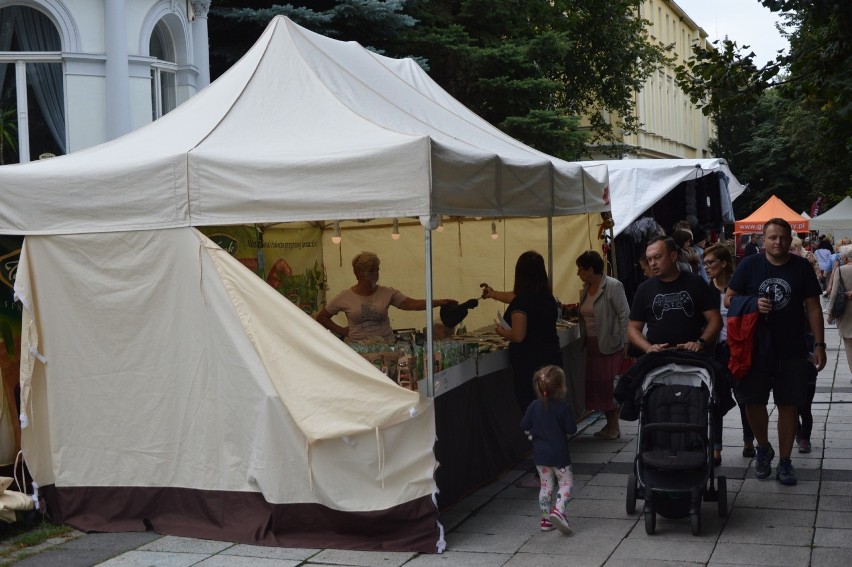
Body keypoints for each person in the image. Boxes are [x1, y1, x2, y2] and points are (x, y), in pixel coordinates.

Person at [725, 218, 826, 486]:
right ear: (763, 239)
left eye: (782, 237)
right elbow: (728, 297)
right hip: (755, 347)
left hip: (791, 347)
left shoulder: (801, 267)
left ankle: (784, 461)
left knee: (788, 404)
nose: (778, 242)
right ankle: (763, 447)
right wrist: (751, 302)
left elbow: (814, 307)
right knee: (753, 401)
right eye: (772, 238)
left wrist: (819, 345)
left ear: (789, 239)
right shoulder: (749, 265)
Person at [481, 251, 562, 412]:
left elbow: (518, 335)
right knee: (551, 407)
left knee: (533, 409)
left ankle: (540, 437)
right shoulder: (547, 297)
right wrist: (494, 294)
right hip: (552, 358)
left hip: (530, 365)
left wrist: (501, 331)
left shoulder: (522, 301)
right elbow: (515, 297)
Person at [316, 251, 456, 342]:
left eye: (377, 270)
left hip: (387, 345)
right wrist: (342, 330)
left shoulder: (387, 292)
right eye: (371, 271)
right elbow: (322, 317)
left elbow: (411, 304)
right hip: (358, 350)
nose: (376, 274)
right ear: (358, 273)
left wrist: (437, 302)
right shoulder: (345, 297)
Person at [704, 243, 755, 463]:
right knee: (715, 399)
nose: (707, 267)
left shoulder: (739, 287)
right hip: (717, 351)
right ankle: (716, 448)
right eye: (705, 263)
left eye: (710, 263)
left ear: (723, 263)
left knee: (744, 397)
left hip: (739, 349)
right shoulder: (706, 290)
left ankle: (748, 440)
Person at [628, 236, 721, 357]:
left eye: (657, 257)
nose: (652, 264)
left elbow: (715, 320)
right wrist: (648, 348)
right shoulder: (644, 289)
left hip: (692, 357)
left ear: (673, 256)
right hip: (658, 359)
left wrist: (700, 343)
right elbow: (632, 328)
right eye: (649, 259)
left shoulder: (696, 282)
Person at [575, 250, 630, 440]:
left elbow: (624, 314)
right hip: (592, 344)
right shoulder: (586, 288)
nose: (578, 273)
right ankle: (609, 424)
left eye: (580, 269)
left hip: (609, 342)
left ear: (591, 269)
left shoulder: (613, 286)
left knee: (609, 386)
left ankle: (614, 426)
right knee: (598, 386)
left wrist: (626, 342)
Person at [520, 365, 577, 534]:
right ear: (561, 387)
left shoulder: (533, 406)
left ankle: (545, 519)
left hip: (540, 456)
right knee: (566, 484)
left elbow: (524, 425)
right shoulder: (563, 407)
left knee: (545, 487)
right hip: (559, 455)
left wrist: (533, 433)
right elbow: (571, 429)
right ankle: (559, 511)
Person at [827, 246, 852, 377]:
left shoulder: (841, 270)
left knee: (849, 345)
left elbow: (835, 292)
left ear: (846, 257)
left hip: (846, 313)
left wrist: (830, 313)